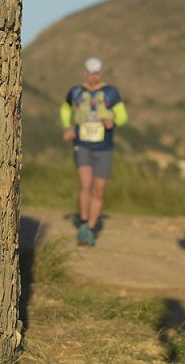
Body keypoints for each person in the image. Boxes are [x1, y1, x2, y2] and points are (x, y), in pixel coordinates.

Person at [60, 57, 128, 246]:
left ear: (101, 73)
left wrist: (112, 121)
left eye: (97, 72)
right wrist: (68, 127)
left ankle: (90, 227)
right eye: (90, 73)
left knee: (98, 190)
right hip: (82, 144)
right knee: (85, 184)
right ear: (85, 73)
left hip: (104, 147)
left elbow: (123, 116)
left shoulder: (111, 92)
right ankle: (83, 222)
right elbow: (65, 108)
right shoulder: (75, 92)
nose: (93, 76)